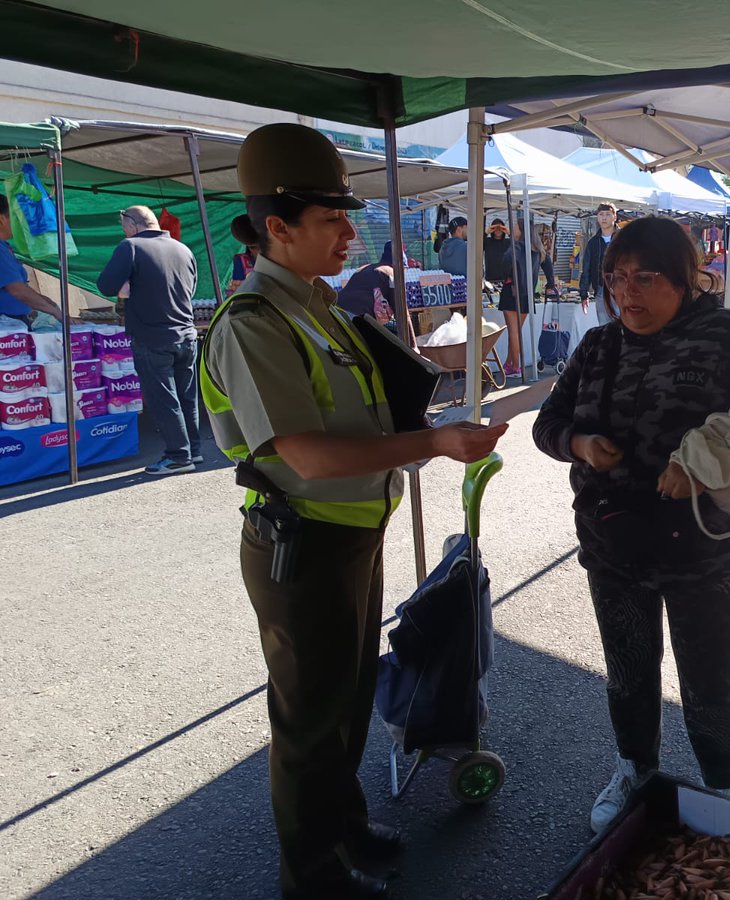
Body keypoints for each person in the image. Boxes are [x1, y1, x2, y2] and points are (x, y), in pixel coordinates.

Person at [199, 123, 506, 900]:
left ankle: (344, 826)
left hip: (351, 530)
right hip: (301, 544)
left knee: (348, 698)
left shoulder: (318, 307)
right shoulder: (255, 322)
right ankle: (311, 880)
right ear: (278, 227)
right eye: (330, 219)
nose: (350, 230)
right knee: (309, 722)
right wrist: (434, 441)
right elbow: (307, 456)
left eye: (348, 213)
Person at [532, 216, 730, 835]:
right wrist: (580, 442)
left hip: (703, 551)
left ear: (682, 277)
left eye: (645, 278)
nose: (628, 293)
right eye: (617, 278)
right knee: (628, 671)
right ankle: (635, 769)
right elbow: (546, 424)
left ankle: (723, 786)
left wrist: (703, 470)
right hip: (613, 544)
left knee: (707, 676)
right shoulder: (597, 345)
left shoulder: (727, 335)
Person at [96, 205, 201, 476]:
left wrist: (126, 289)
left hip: (153, 336)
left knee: (164, 398)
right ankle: (193, 450)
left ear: (132, 224)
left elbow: (106, 286)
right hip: (186, 334)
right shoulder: (183, 249)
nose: (123, 230)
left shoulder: (129, 246)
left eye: (123, 225)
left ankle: (179, 456)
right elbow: (190, 288)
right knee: (186, 396)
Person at [499, 218, 557, 376]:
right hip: (528, 294)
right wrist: (550, 284)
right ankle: (510, 363)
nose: (513, 229)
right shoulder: (538, 249)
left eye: (515, 227)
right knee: (516, 330)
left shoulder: (516, 246)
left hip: (512, 292)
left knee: (513, 331)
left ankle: (516, 366)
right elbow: (549, 266)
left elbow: (504, 264)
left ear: (521, 230)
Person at [0, 195, 63, 323]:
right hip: (7, 328)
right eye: (16, 218)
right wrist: (55, 312)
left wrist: (41, 299)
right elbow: (17, 290)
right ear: (1, 220)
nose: (20, 224)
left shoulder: (5, 246)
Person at [336, 242, 400, 328]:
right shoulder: (391, 272)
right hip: (357, 319)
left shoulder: (365, 268)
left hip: (337, 313)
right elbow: (402, 313)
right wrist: (410, 341)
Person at [578, 202, 619, 327]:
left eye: (608, 214)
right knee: (604, 329)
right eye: (601, 214)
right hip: (601, 290)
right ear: (597, 217)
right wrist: (583, 294)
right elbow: (586, 268)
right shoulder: (593, 242)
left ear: (614, 217)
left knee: (624, 328)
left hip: (622, 290)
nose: (604, 218)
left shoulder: (624, 238)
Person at [482, 218, 510, 283]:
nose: (498, 230)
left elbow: (517, 245)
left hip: (505, 279)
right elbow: (478, 245)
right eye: (495, 229)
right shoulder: (487, 241)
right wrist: (487, 232)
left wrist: (508, 233)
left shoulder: (508, 242)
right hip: (490, 278)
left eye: (500, 229)